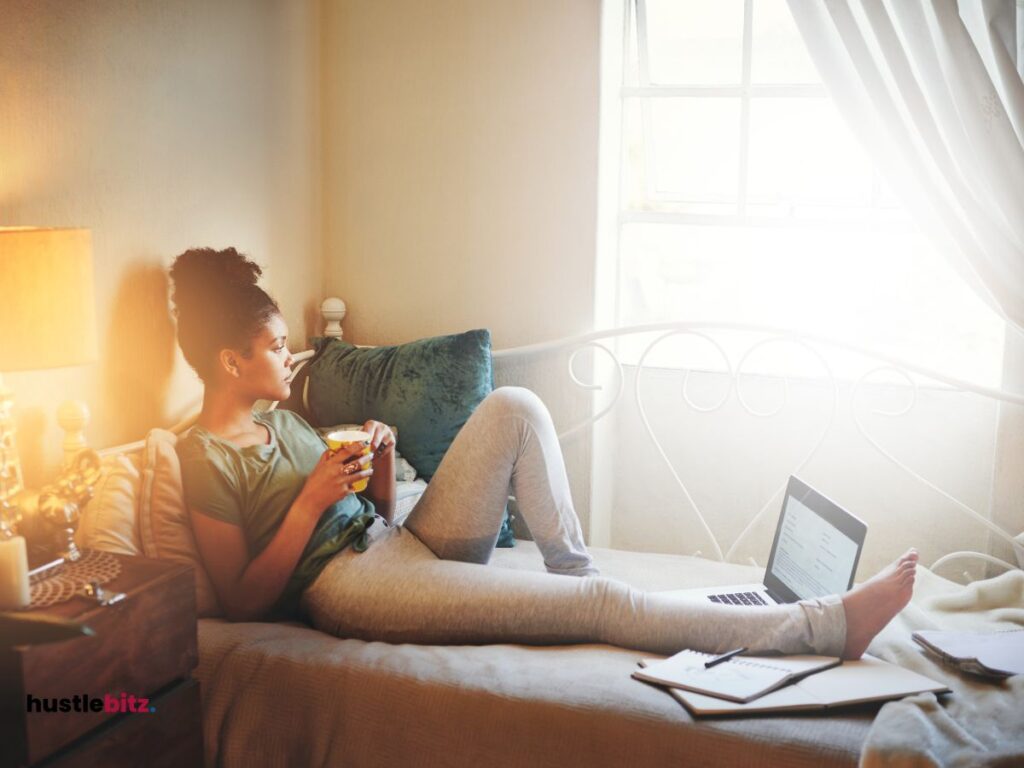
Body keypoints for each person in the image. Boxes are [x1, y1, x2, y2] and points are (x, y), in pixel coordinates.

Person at [172, 247, 917, 659]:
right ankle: (829, 626)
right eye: (274, 348)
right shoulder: (204, 455)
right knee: (604, 608)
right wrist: (310, 500)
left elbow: (371, 514)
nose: (289, 357)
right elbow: (239, 599)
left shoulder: (288, 423)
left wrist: (376, 468)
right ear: (229, 363)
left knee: (516, 408)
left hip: (393, 543)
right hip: (347, 587)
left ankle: (574, 579)